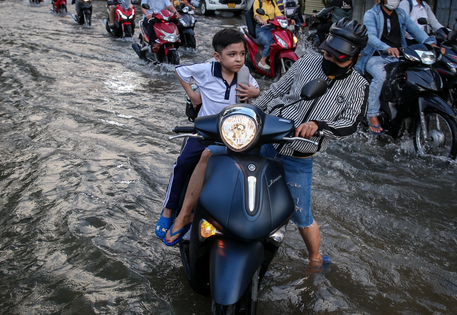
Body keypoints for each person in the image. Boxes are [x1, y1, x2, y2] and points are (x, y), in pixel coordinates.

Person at [164, 18, 370, 268]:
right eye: (327, 53)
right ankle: (185, 215)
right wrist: (244, 117)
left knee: (302, 215)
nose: (329, 60)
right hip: (266, 140)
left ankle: (315, 258)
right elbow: (275, 91)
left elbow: (350, 124)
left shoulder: (359, 86)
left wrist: (319, 126)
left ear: (355, 58)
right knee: (211, 156)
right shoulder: (306, 62)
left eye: (339, 58)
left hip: (298, 156)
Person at [155, 28, 261, 242]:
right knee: (183, 163)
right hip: (205, 131)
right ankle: (168, 210)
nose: (238, 59)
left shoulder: (244, 73)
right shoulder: (206, 70)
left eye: (242, 53)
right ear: (217, 56)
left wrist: (254, 92)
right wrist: (194, 96)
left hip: (234, 133)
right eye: (232, 55)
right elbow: (180, 71)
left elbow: (255, 89)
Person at [355, 0, 441, 135]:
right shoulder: (371, 14)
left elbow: (417, 31)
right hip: (375, 56)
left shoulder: (401, 14)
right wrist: (386, 47)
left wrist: (431, 43)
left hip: (398, 56)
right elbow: (370, 37)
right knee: (380, 76)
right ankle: (372, 114)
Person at [253, 0, 283, 70]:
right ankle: (262, 61)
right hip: (261, 28)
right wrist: (261, 21)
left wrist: (286, 19)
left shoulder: (272, 2)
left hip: (272, 27)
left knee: (280, 41)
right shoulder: (258, 2)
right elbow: (256, 15)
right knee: (269, 42)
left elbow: (278, 13)